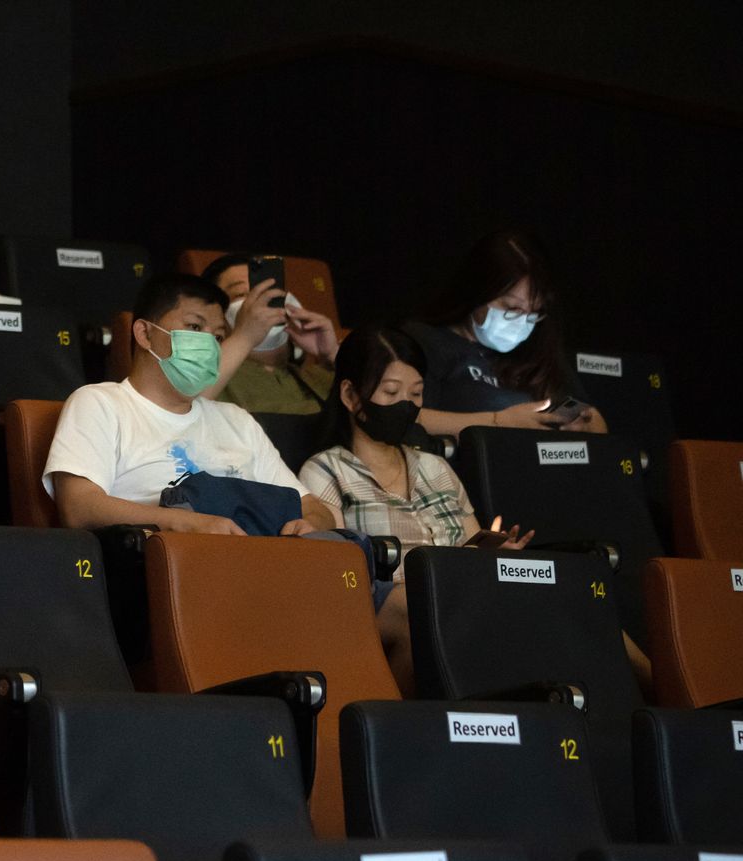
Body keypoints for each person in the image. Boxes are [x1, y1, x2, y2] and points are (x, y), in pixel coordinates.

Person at [299, 324, 535, 692]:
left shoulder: (436, 468)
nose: (406, 405)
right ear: (350, 395)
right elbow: (339, 569)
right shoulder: (327, 471)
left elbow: (472, 541)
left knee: (566, 591)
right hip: (394, 605)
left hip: (465, 593)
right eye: (391, 392)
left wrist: (493, 550)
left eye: (417, 393)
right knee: (431, 614)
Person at [45, 273, 336, 535]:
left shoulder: (237, 419)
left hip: (260, 564)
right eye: (195, 326)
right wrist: (184, 522)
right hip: (166, 568)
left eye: (218, 336)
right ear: (145, 334)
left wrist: (311, 525)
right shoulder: (100, 404)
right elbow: (79, 508)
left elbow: (313, 507)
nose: (209, 344)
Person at [403, 228, 606, 437]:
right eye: (511, 308)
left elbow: (585, 414)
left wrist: (582, 423)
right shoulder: (426, 342)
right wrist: (498, 422)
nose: (522, 322)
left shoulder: (537, 349)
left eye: (534, 311)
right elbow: (403, 418)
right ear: (477, 291)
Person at [198, 251, 338, 412]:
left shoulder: (323, 376)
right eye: (241, 294)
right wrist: (245, 337)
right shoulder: (210, 382)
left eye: (271, 291)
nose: (261, 301)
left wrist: (332, 355)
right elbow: (180, 408)